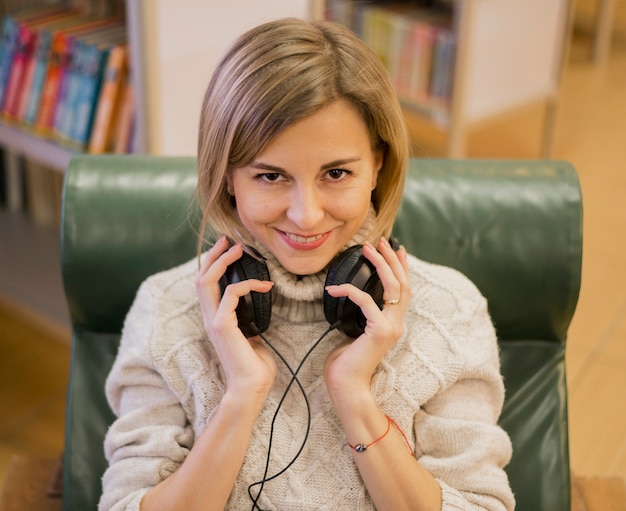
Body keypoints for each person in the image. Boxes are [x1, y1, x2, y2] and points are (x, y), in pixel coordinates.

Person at [99, 17, 515, 511]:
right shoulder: (165, 311)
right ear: (228, 176)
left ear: (378, 164)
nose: (306, 214)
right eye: (271, 176)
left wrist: (356, 401)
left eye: (336, 173)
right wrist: (240, 399)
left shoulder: (450, 310)